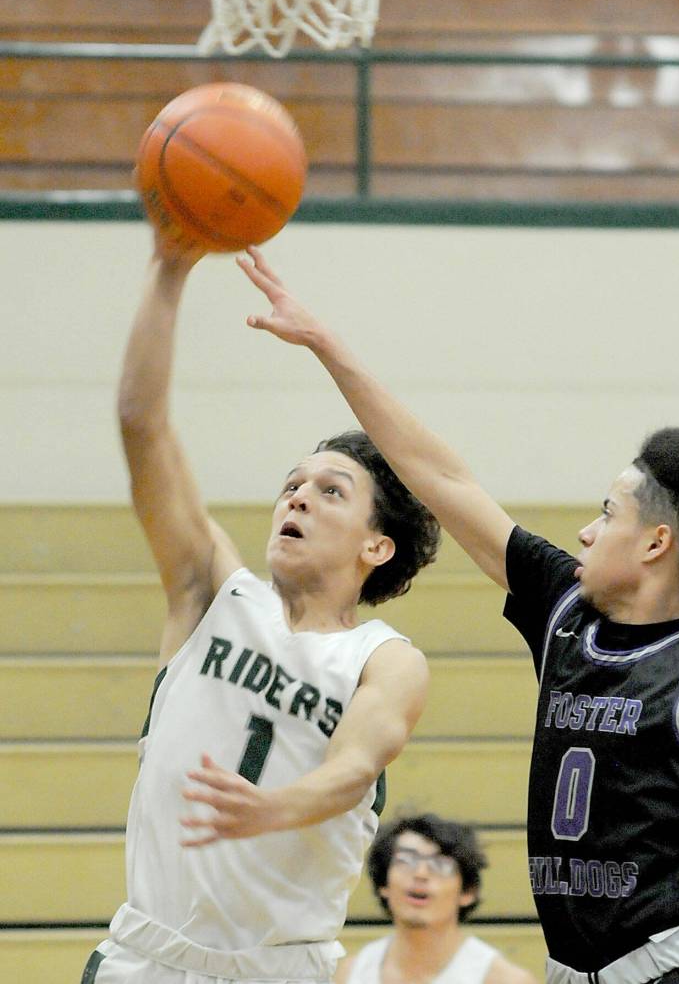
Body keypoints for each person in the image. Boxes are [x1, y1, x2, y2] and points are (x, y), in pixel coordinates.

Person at [238, 245, 679, 984]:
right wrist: (328, 347)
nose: (585, 530)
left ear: (655, 541)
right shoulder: (566, 609)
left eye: (606, 513)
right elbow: (441, 476)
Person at [80, 238, 441, 984]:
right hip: (143, 961)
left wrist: (274, 807)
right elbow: (139, 422)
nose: (299, 495)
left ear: (377, 547)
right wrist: (169, 268)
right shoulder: (210, 589)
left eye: (331, 490)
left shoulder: (385, 657)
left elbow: (352, 769)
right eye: (293, 484)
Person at [335, 813, 537, 984]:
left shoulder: (505, 979)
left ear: (467, 892)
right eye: (406, 861)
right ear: (383, 884)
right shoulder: (350, 974)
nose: (421, 873)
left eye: (440, 865)